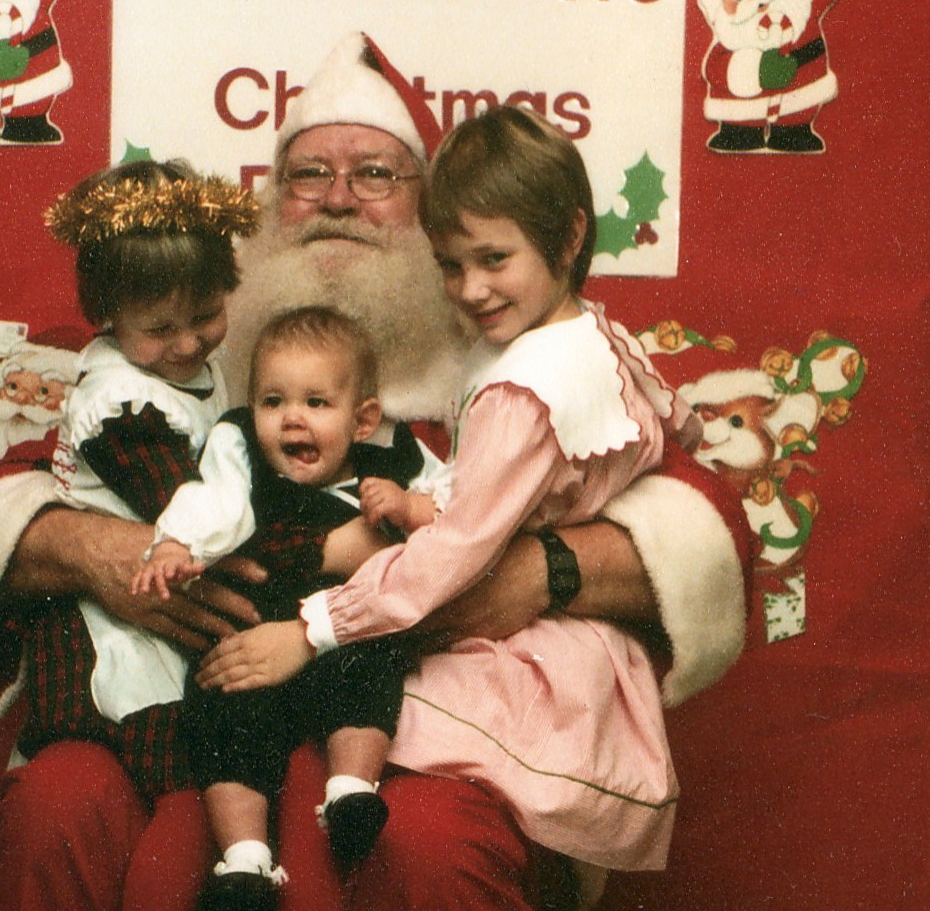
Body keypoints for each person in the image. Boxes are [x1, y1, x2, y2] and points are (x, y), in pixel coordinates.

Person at [0, 31, 751, 911]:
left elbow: (703, 518)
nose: (336, 199)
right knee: (58, 803)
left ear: (430, 213)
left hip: (419, 696)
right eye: (308, 174)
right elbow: (23, 485)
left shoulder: (505, 352)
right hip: (207, 685)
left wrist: (548, 567)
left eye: (375, 175)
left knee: (431, 840)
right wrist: (94, 548)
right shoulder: (194, 343)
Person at [201, 104, 701, 876]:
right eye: (450, 265)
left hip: (512, 655)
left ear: (569, 235)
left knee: (371, 758)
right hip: (583, 656)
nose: (470, 289)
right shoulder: (597, 338)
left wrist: (312, 627)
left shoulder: (519, 389)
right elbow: (676, 426)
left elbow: (458, 548)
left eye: (493, 259)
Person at [146, 307, 444, 910]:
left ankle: (351, 792)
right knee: (223, 703)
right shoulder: (240, 446)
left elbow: (458, 499)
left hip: (340, 632)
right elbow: (213, 501)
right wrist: (178, 543)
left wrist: (410, 507)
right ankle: (244, 860)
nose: (292, 418)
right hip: (253, 635)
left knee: (373, 662)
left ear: (363, 420)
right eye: (272, 401)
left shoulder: (392, 456)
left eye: (316, 402)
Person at [9, 157, 260, 799]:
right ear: (107, 315)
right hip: (105, 626)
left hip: (169, 597)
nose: (188, 344)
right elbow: (189, 503)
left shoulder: (194, 370)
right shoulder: (123, 408)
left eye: (206, 315)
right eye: (160, 328)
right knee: (164, 760)